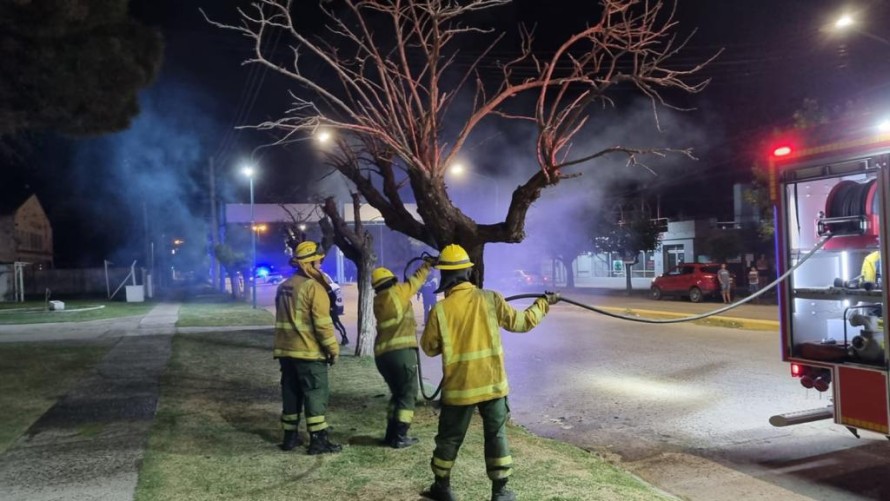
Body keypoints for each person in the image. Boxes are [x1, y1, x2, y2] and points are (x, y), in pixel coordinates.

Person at [420, 244, 560, 501]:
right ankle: (500, 491)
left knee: (449, 438)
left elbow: (429, 348)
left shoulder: (440, 310)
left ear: (445, 276)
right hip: (493, 385)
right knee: (496, 436)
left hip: (459, 390)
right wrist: (543, 303)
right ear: (467, 273)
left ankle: (441, 487)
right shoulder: (491, 299)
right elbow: (522, 323)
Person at [274, 241, 342, 455]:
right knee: (315, 394)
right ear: (310, 263)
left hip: (286, 351)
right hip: (309, 352)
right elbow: (323, 325)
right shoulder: (314, 288)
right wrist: (333, 350)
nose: (320, 265)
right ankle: (318, 441)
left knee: (291, 393)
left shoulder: (284, 286)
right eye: (318, 261)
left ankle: (290, 437)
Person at [371, 258, 433, 448]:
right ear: (392, 281)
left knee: (397, 394)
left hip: (382, 356)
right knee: (408, 394)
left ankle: (391, 435)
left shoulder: (378, 301)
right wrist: (427, 265)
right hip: (401, 353)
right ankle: (400, 436)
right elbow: (416, 281)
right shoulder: (397, 291)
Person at [322, 272, 349, 345]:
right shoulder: (320, 287)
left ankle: (344, 337)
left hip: (331, 309)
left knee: (337, 324)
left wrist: (331, 307)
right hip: (325, 309)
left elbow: (333, 297)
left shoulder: (328, 288)